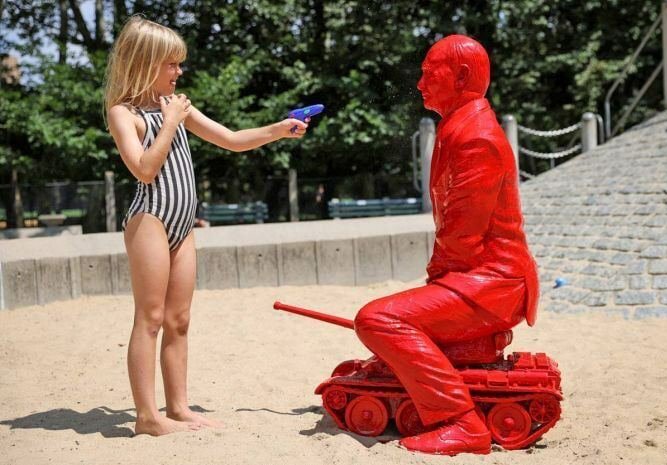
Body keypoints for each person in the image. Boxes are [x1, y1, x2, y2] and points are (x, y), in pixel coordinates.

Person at [104, 16, 309, 436]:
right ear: (145, 63)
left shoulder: (177, 104)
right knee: (151, 317)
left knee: (180, 319)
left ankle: (177, 408)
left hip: (183, 226)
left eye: (180, 64)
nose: (179, 72)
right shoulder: (124, 114)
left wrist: (278, 129)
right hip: (151, 220)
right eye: (172, 64)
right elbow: (144, 169)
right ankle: (147, 418)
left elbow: (232, 140)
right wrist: (173, 121)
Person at [353, 35, 539, 455]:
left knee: (378, 320)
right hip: (480, 276)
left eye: (427, 72)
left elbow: (461, 234)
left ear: (460, 76)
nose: (419, 83)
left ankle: (461, 421)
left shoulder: (476, 137)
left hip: (493, 282)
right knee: (393, 315)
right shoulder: (459, 126)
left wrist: (435, 285)